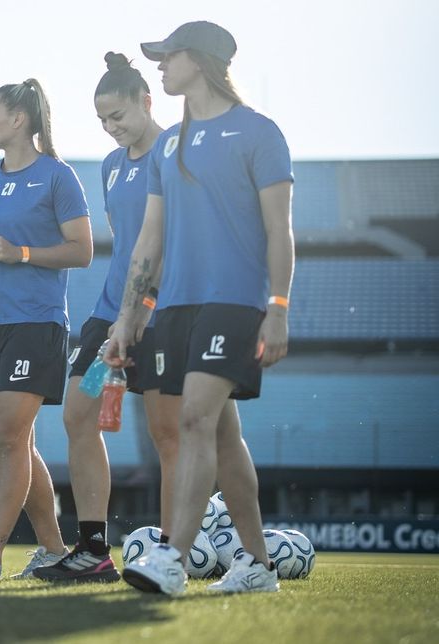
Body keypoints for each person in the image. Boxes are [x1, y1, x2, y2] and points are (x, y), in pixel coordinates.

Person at [107, 21, 293, 595]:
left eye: (169, 56)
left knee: (193, 422)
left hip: (233, 304)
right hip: (176, 308)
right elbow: (149, 240)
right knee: (222, 436)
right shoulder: (168, 143)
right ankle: (258, 565)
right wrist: (128, 316)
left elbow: (278, 230)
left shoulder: (259, 132)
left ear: (203, 60)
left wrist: (278, 306)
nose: (159, 67)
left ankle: (172, 556)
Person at [34, 53, 177, 584]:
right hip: (107, 321)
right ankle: (94, 548)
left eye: (118, 116)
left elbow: (168, 243)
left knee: (168, 433)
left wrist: (139, 312)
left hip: (159, 316)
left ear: (146, 100)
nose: (111, 128)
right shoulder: (112, 166)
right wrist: (119, 318)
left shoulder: (175, 152)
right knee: (78, 411)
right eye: (102, 121)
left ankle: (170, 551)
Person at [0, 79, 93, 580]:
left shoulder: (58, 177)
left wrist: (18, 251)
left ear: (19, 120)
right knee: (17, 444)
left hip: (37, 322)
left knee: (10, 436)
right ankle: (53, 550)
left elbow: (82, 250)